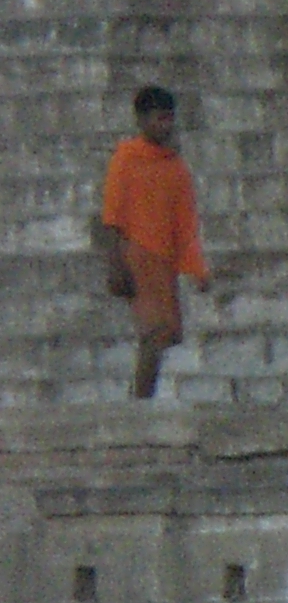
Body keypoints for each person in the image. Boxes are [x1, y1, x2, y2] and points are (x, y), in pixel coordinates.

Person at [98, 87, 208, 402]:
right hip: (135, 255)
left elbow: (185, 224)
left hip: (164, 261)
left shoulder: (177, 168)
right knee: (154, 331)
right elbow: (112, 215)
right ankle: (140, 403)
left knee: (164, 335)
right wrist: (116, 264)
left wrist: (197, 269)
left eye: (169, 119)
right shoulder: (125, 158)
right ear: (142, 120)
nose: (165, 126)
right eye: (159, 119)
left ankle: (141, 397)